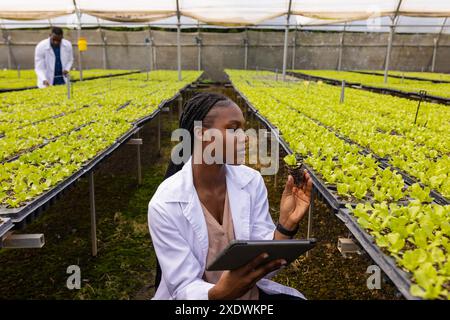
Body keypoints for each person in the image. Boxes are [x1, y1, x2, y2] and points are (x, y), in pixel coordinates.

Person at [148, 92, 313, 300]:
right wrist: (221, 293)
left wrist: (285, 225)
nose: (245, 138)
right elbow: (183, 288)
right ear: (201, 134)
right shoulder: (165, 204)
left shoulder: (251, 181)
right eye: (233, 128)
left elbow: (264, 264)